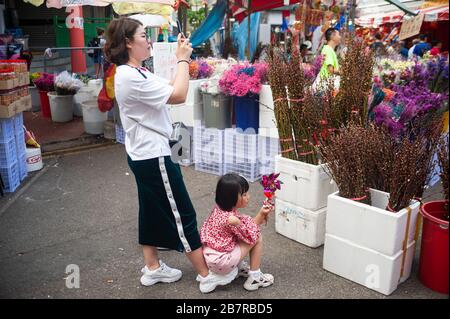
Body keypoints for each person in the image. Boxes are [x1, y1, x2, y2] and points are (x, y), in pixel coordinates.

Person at [104, 17, 234, 293]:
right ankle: (205, 273)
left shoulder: (134, 71)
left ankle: (152, 268)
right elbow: (178, 94)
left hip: (145, 153)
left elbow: (170, 86)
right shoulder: (129, 75)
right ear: (128, 42)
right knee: (182, 212)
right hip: (155, 156)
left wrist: (179, 60)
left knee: (151, 210)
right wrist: (184, 60)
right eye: (143, 35)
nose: (148, 40)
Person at [200, 174, 275, 292]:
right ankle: (255, 278)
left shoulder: (219, 209)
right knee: (257, 237)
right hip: (222, 261)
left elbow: (244, 230)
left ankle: (238, 267)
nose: (248, 197)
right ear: (230, 198)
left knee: (238, 236)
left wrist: (260, 215)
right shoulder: (232, 220)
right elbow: (250, 234)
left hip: (211, 256)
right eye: (244, 194)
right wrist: (261, 215)